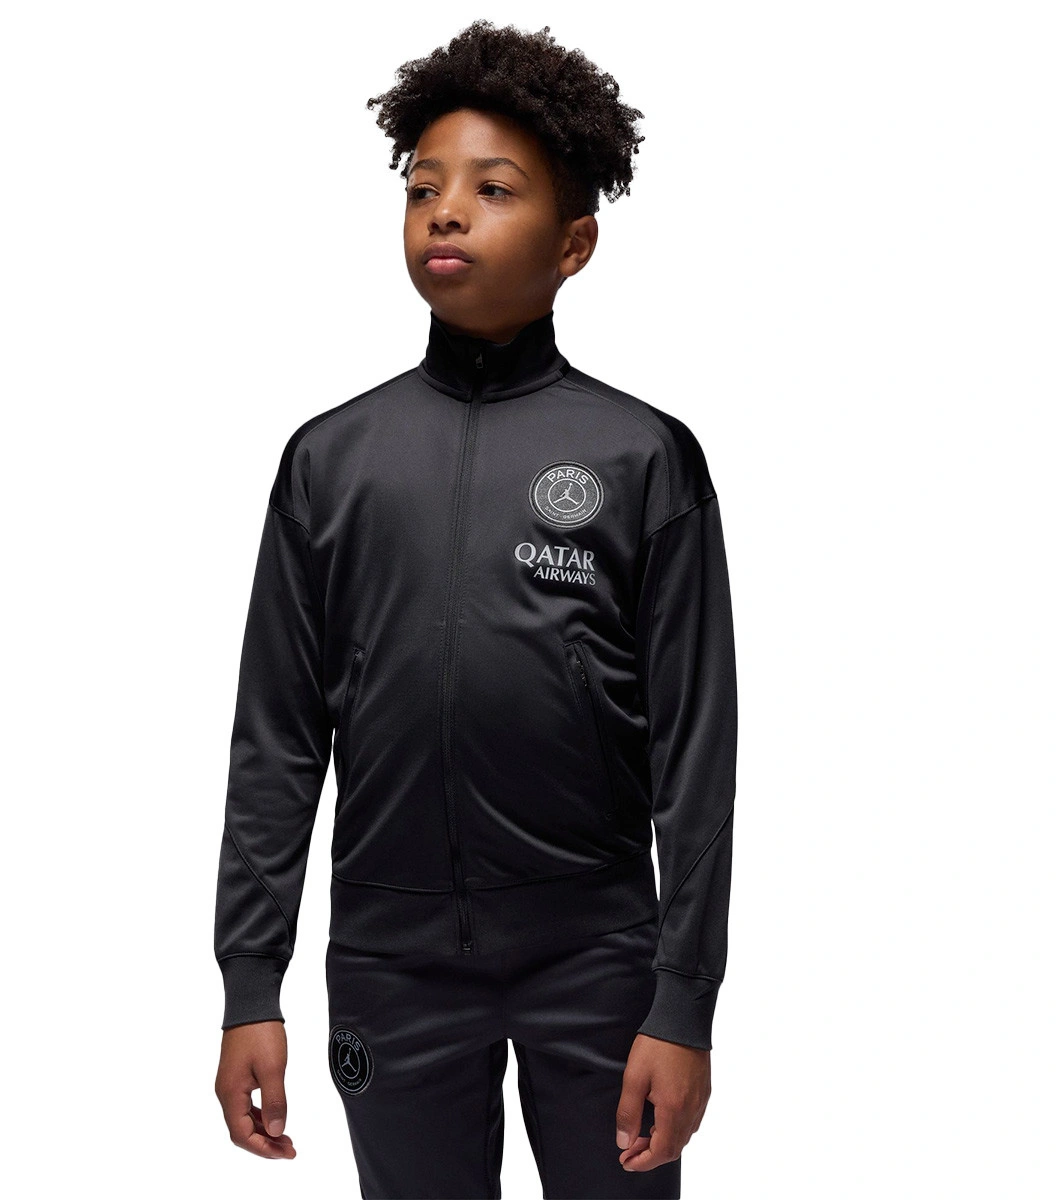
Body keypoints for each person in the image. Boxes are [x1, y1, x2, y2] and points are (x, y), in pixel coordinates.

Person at [213, 19, 738, 1199]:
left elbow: (697, 758)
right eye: (424, 188)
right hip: (390, 966)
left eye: (493, 190)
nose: (446, 213)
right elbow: (277, 741)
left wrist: (683, 1001)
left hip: (597, 962)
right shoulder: (330, 461)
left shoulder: (642, 458)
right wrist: (251, 984)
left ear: (574, 243)